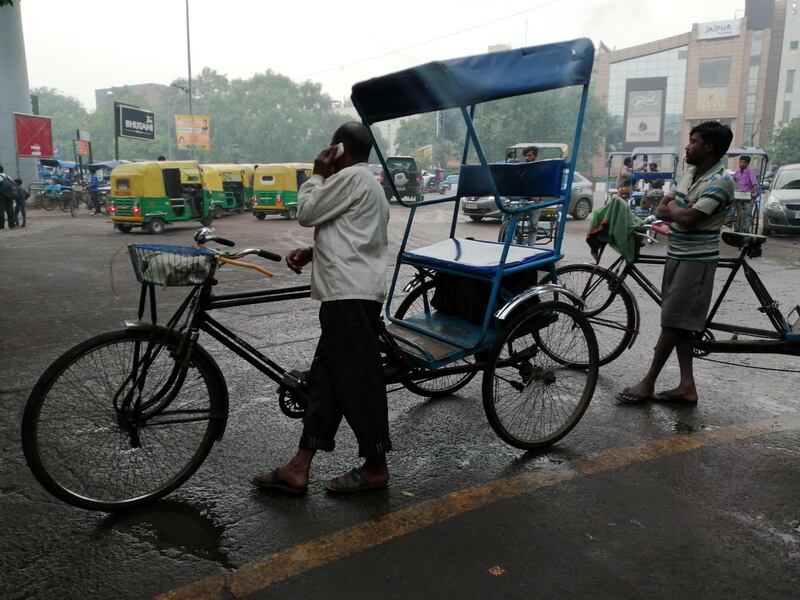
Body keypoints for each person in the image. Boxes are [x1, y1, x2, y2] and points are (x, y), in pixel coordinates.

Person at [251, 121, 391, 495]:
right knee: (326, 382)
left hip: (349, 296)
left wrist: (315, 175)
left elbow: (307, 213)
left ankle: (376, 465)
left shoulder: (350, 179)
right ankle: (300, 465)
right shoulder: (366, 185)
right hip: (346, 294)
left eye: (332, 149)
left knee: (358, 382)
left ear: (340, 151)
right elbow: (355, 236)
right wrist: (314, 251)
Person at [616, 121, 734, 405]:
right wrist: (675, 210)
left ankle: (647, 382)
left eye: (693, 141)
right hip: (677, 254)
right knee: (681, 323)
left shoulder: (721, 181)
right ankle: (687, 386)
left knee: (672, 322)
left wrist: (675, 210)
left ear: (709, 146)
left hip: (697, 260)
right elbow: (662, 208)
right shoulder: (690, 173)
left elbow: (688, 218)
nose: (687, 145)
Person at [0, 165, 17, 229]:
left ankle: (1, 226)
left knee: (1, 212)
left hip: (1, 197)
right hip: (9, 196)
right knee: (10, 210)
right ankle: (12, 225)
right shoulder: (8, 177)